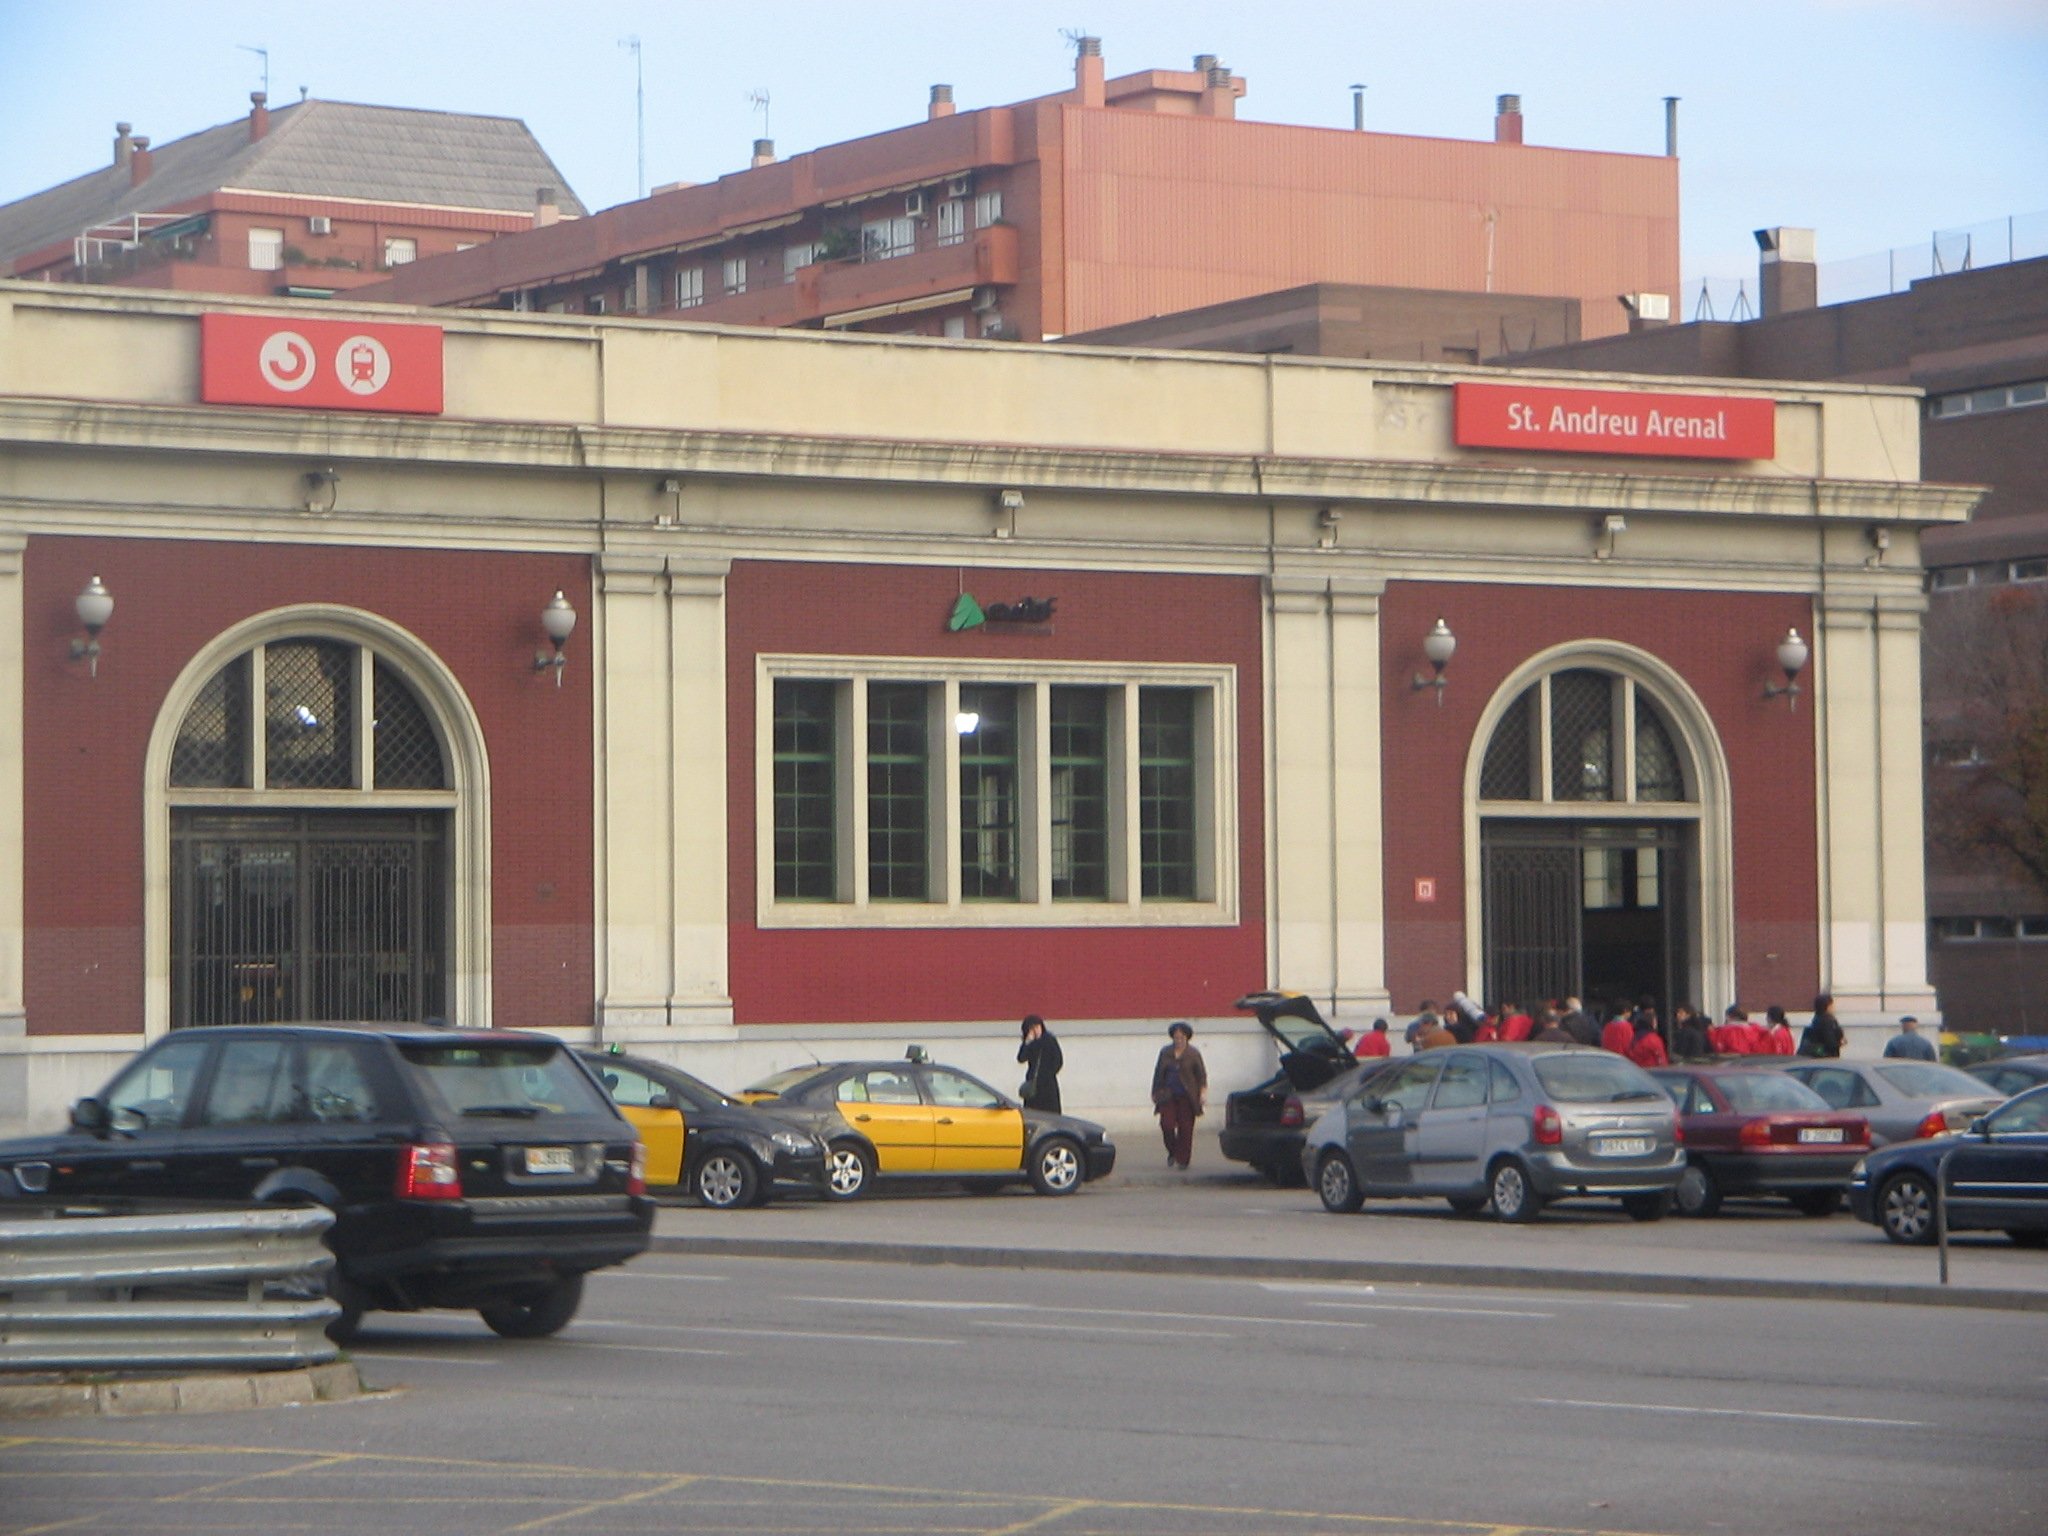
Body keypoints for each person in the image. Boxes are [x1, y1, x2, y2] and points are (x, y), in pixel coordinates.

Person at [1151, 1021, 1208, 1170]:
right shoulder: (1165, 1053)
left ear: (1187, 1038)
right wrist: (1155, 1092)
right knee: (1167, 1125)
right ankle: (1173, 1152)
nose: (1178, 1041)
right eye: (1176, 1038)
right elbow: (1158, 1074)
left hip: (1187, 1097)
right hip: (1168, 1095)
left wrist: (1202, 1093)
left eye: (1181, 1037)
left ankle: (1183, 1160)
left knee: (1186, 1129)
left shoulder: (1193, 1054)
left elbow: (1201, 1076)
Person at [1016, 1014, 1064, 1113]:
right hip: (1033, 1083)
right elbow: (1021, 1058)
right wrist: (1027, 1042)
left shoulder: (1049, 1040)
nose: (1036, 1030)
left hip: (1048, 1084)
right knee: (1033, 1112)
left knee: (1051, 1112)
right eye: (1032, 1028)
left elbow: (1058, 1060)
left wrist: (1049, 1074)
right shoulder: (1029, 1042)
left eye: (1037, 1027)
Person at [1799, 993, 1845, 1058]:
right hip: (1825, 1057)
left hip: (1815, 1056)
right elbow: (1830, 1042)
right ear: (1828, 1006)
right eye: (1832, 1005)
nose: (1834, 1007)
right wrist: (1840, 1043)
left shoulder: (1816, 1019)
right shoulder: (1827, 1022)